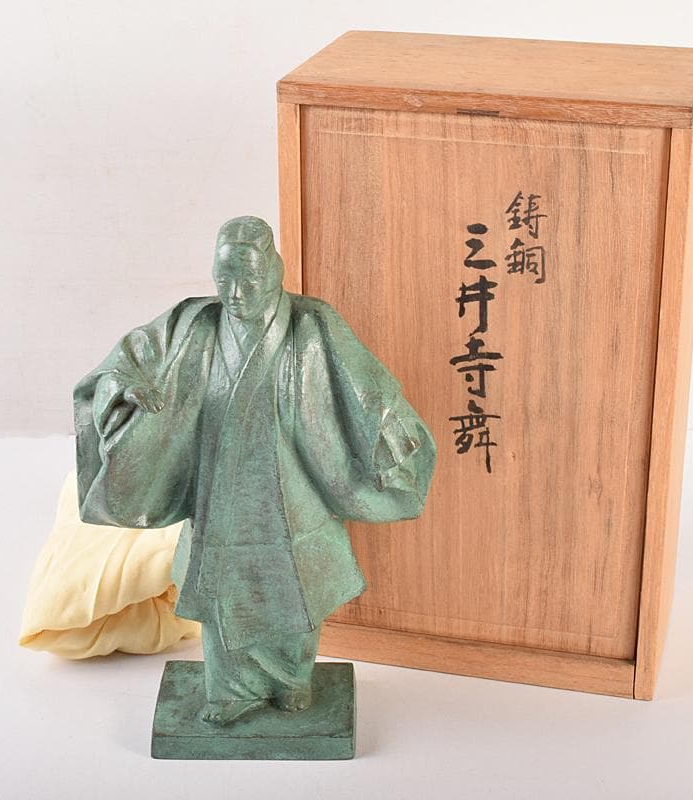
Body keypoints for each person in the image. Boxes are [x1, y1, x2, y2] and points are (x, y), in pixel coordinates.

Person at [74, 216, 435, 724]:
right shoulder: (194, 324)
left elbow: (363, 386)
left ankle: (292, 680)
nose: (236, 293)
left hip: (295, 486)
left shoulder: (311, 324)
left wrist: (387, 430)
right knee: (224, 592)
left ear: (274, 270)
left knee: (296, 588)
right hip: (219, 487)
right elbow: (125, 364)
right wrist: (127, 390)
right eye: (224, 280)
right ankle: (228, 691)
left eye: (248, 278)